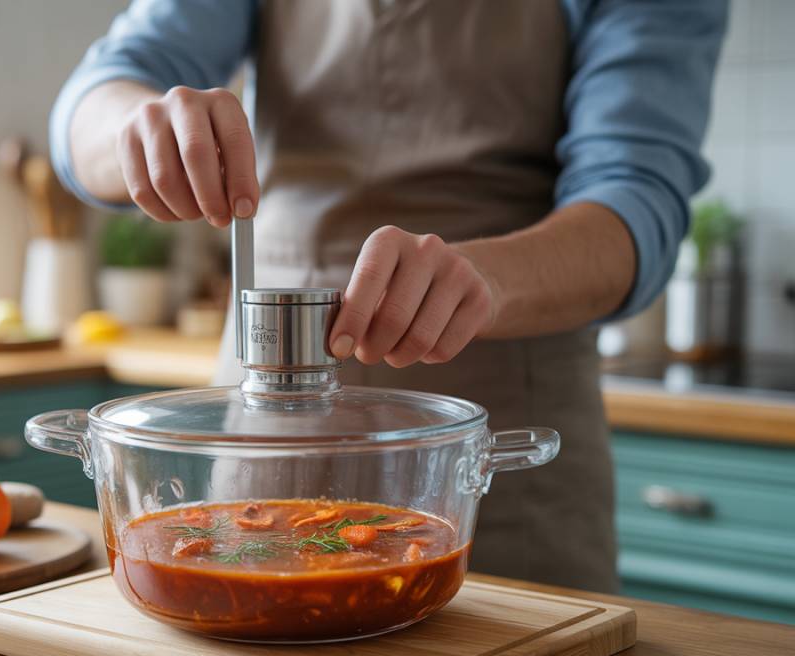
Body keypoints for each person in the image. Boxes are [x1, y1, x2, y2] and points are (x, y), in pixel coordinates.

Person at [50, 0, 727, 592]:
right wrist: (137, 131)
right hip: (264, 430)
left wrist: (483, 280)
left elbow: (636, 204)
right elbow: (92, 103)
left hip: (498, 439)